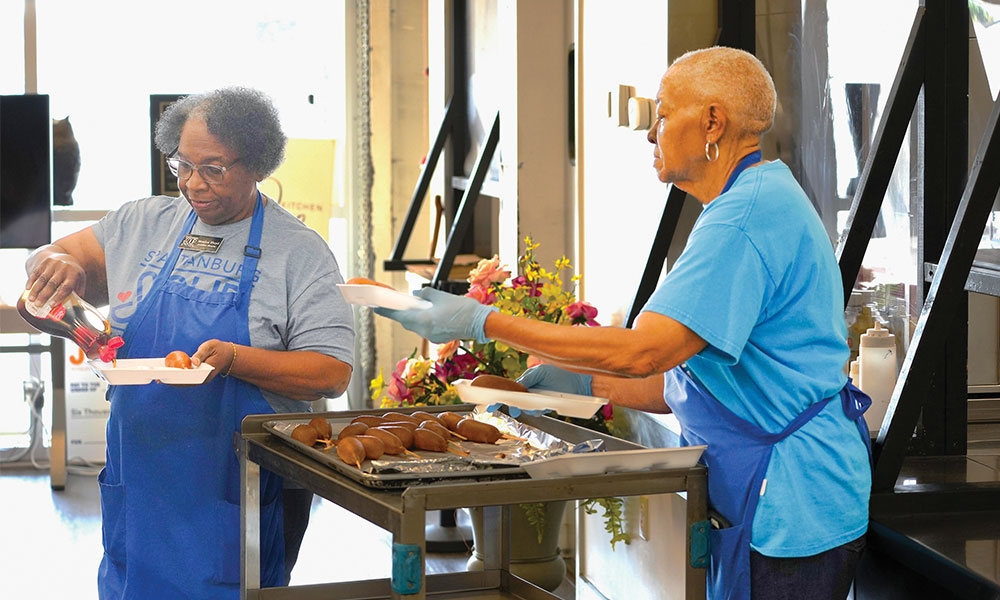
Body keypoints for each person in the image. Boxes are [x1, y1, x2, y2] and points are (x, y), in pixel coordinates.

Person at [374, 47, 872, 600]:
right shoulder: (747, 201)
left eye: (662, 113)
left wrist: (485, 321)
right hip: (770, 495)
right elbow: (682, 382)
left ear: (712, 121)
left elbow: (646, 351)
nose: (651, 132)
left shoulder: (745, 220)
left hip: (792, 504)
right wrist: (580, 385)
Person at [22, 87, 355, 598]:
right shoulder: (141, 223)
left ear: (258, 165)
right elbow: (53, 260)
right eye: (183, 164)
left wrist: (235, 359)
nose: (194, 185)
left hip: (240, 487)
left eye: (214, 169)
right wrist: (59, 264)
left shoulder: (300, 253)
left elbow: (331, 372)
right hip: (142, 482)